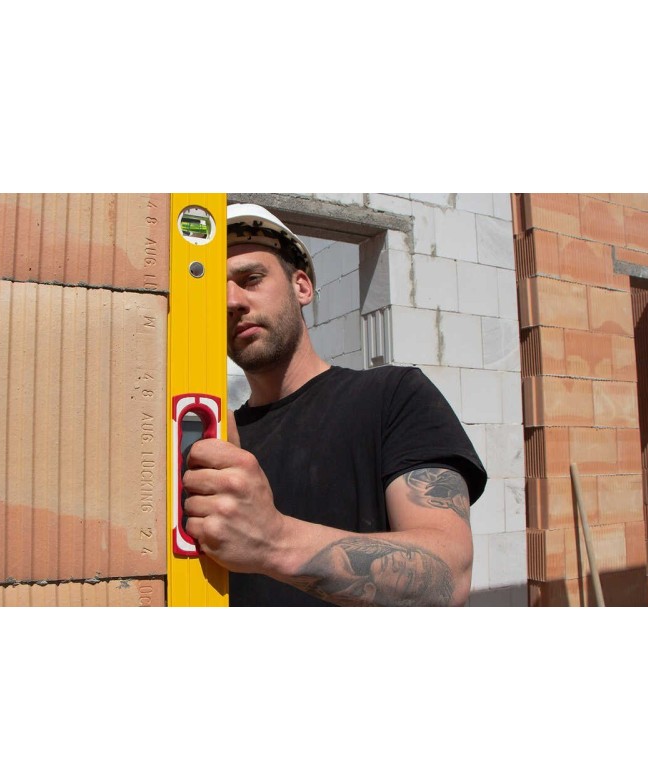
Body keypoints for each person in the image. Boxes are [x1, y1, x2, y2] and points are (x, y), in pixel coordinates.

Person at [182, 203, 487, 606]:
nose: (231, 301)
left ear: (302, 287)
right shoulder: (217, 437)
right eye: (214, 292)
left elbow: (450, 577)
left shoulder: (393, 396)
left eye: (251, 279)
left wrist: (273, 541)